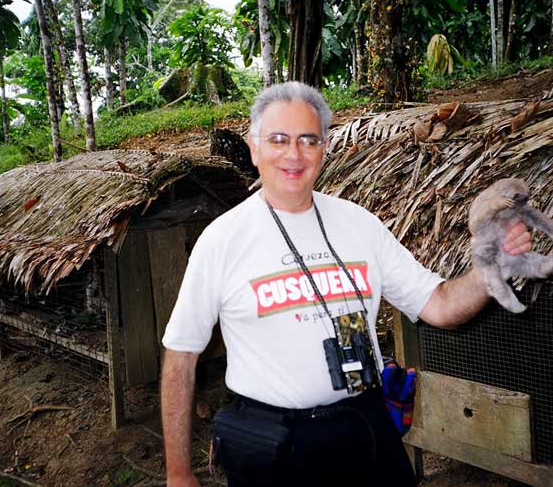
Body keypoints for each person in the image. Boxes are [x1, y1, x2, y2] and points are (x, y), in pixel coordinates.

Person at [161, 82, 532, 487]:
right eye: (278, 139)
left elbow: (440, 305)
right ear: (254, 147)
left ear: (323, 149)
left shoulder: (360, 224)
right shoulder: (222, 240)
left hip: (364, 423)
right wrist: (179, 472)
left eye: (308, 140)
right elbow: (181, 355)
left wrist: (489, 270)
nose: (293, 154)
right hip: (274, 442)